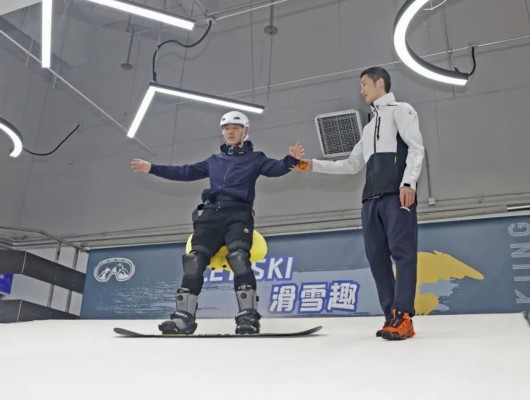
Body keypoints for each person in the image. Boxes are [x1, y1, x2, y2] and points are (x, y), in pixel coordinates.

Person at [131, 111, 304, 334]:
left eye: (235, 128)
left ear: (245, 131)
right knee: (193, 261)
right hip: (211, 214)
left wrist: (291, 160)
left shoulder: (256, 158)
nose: (230, 131)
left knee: (238, 257)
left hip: (238, 213)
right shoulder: (214, 161)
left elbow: (275, 169)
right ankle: (183, 319)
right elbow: (185, 172)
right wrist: (152, 168)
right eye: (226, 128)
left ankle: (248, 318)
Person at [296, 67, 424, 340]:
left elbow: (416, 148)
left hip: (396, 195)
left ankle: (404, 316)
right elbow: (352, 164)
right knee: (377, 259)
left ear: (380, 83)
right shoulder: (368, 128)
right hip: (370, 200)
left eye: (364, 84)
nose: (361, 90)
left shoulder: (401, 110)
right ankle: (390, 316)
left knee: (403, 254)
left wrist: (408, 183)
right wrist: (313, 164)